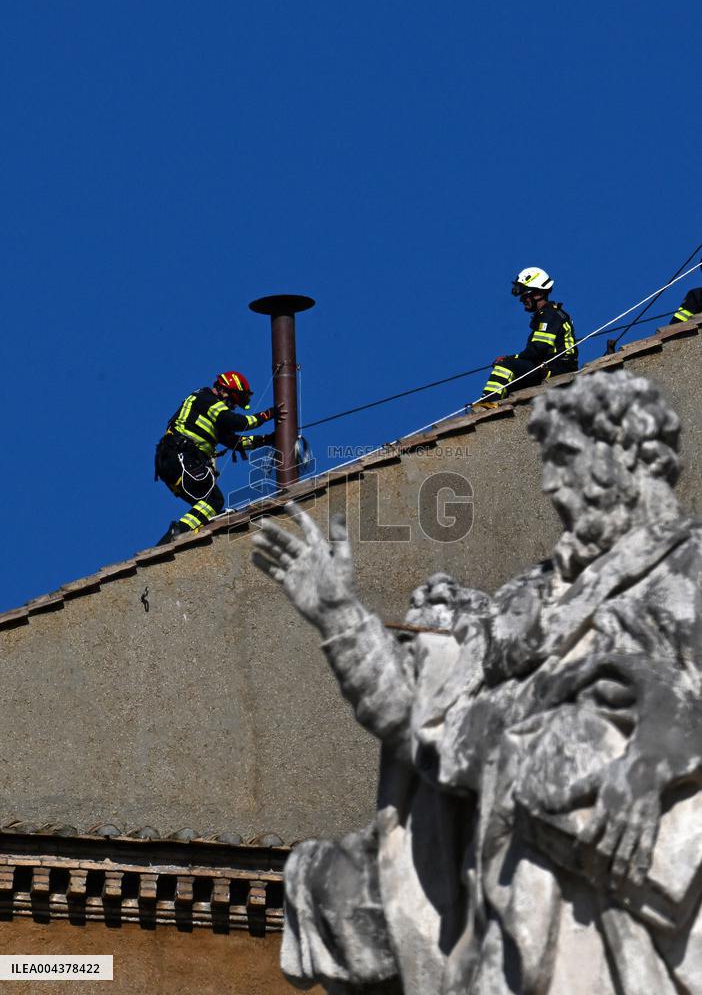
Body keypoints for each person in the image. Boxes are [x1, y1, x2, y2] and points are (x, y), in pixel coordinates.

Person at [252, 370, 702, 994]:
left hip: (636, 894)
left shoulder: (689, 569)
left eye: (566, 459)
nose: (550, 486)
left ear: (627, 452)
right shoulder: (532, 600)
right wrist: (339, 616)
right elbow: (426, 722)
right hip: (513, 903)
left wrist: (652, 762)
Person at [154, 371, 284, 545]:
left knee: (208, 505)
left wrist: (267, 439)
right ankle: (178, 532)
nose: (234, 406)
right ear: (225, 390)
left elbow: (235, 442)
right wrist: (268, 414)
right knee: (214, 500)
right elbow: (240, 423)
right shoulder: (206, 398)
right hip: (180, 456)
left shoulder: (212, 414)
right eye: (235, 400)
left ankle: (175, 539)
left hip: (172, 460)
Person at [475, 267, 578, 409]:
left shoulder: (549, 315)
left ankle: (489, 402)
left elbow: (539, 348)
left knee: (505, 366)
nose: (522, 300)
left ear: (538, 293)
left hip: (555, 370)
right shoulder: (548, 314)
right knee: (511, 386)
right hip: (551, 368)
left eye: (525, 295)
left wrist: (512, 359)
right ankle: (495, 406)